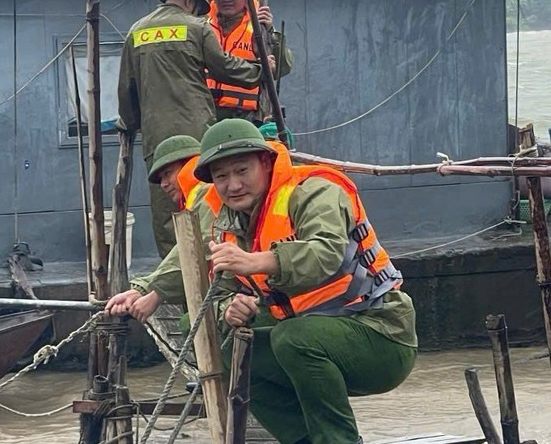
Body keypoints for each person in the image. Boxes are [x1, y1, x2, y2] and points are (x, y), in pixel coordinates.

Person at [109, 118, 418, 444]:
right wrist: (229, 307)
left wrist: (256, 261)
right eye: (221, 176)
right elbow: (212, 283)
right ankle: (302, 440)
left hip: (380, 334)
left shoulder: (315, 192)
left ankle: (338, 441)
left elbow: (325, 253)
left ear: (267, 162)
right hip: (312, 333)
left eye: (242, 170)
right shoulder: (230, 221)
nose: (233, 185)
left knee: (293, 338)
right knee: (226, 340)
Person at [117, 0, 275, 259]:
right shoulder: (196, 27)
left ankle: (173, 276)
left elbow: (127, 89)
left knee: (168, 209)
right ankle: (212, 263)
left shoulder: (136, 31)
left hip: (157, 135)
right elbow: (224, 68)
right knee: (205, 200)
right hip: (197, 133)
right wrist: (260, 70)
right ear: (190, 2)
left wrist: (130, 124)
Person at [106, 135, 220, 323]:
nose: (164, 184)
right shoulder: (195, 198)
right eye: (160, 179)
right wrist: (142, 289)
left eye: (167, 173)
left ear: (189, 165)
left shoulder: (207, 192)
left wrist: (154, 291)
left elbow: (201, 244)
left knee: (190, 324)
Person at [205, 0, 294, 124]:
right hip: (205, 112)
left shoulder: (259, 28)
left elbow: (282, 69)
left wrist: (271, 34)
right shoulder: (200, 24)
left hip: (245, 116)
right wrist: (195, 2)